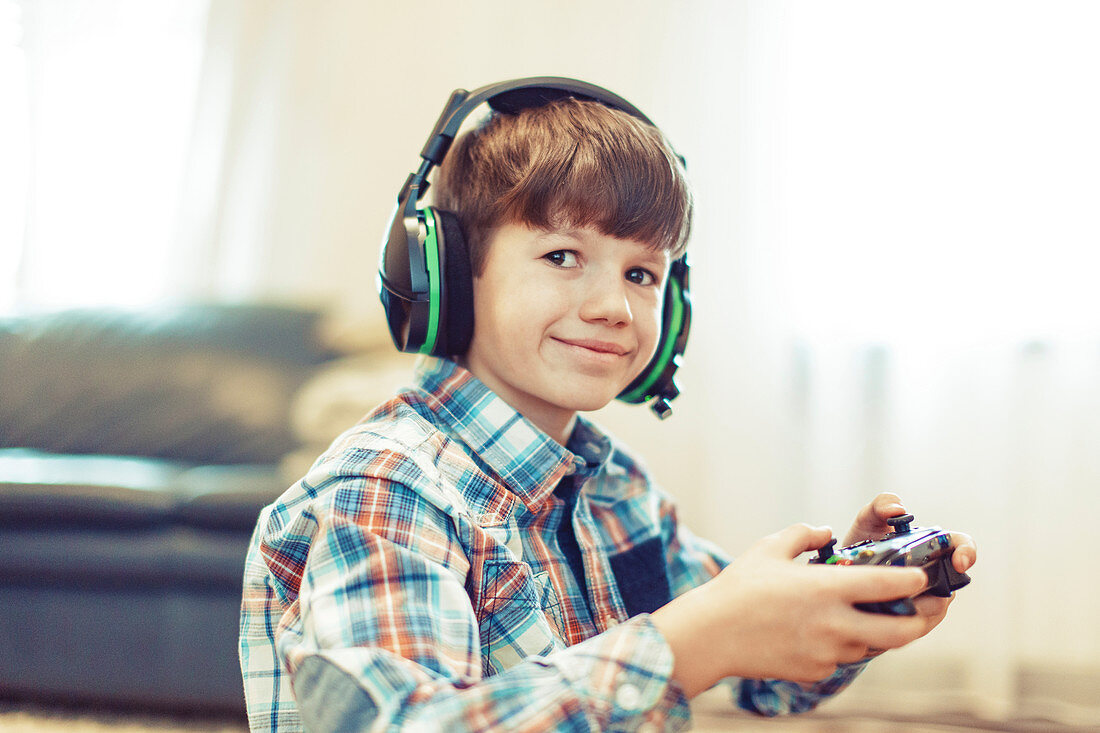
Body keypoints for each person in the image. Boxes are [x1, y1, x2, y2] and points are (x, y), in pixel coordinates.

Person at [239, 78, 977, 732]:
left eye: (643, 273)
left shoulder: (616, 488)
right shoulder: (387, 492)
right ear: (451, 274)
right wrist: (690, 640)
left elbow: (765, 674)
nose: (615, 306)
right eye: (563, 256)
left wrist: (844, 600)